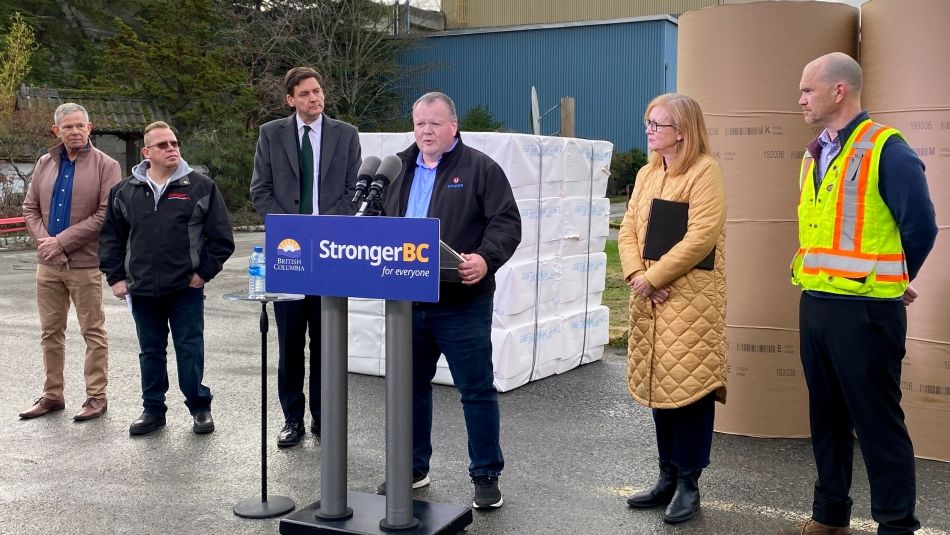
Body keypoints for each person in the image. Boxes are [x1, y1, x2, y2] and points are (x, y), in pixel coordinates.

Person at [777, 52, 937, 535]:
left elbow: (921, 226)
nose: (800, 98)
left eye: (807, 89)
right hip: (817, 304)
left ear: (838, 90)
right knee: (826, 420)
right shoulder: (815, 153)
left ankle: (895, 526)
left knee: (877, 423)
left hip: (866, 314)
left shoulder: (887, 147)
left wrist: (891, 278)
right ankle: (830, 516)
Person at [377, 91, 521, 510]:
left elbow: (506, 222)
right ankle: (413, 467)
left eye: (435, 123)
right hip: (407, 298)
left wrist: (486, 258)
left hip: (461, 301)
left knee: (475, 391)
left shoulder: (480, 168)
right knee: (410, 388)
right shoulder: (396, 167)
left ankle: (485, 475)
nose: (426, 131)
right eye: (420, 123)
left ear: (453, 126)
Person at [617, 93, 726, 525]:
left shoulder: (705, 172)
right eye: (648, 122)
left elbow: (701, 236)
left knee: (691, 390)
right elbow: (627, 227)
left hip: (689, 298)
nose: (649, 130)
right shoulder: (647, 173)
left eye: (657, 124)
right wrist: (634, 277)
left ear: (682, 130)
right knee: (660, 388)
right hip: (650, 296)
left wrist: (655, 277)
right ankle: (666, 476)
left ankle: (688, 482)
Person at [99, 121, 235, 436]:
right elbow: (111, 239)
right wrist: (116, 277)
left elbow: (221, 239)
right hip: (142, 289)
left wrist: (203, 274)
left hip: (185, 289)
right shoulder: (124, 191)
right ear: (147, 152)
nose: (172, 148)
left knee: (189, 349)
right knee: (150, 352)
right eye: (163, 145)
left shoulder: (200, 187)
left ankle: (199, 408)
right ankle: (153, 410)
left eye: (174, 143)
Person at [250, 66, 361, 448]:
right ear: (290, 100)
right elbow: (260, 191)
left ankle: (324, 418)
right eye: (306, 94)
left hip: (331, 251)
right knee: (291, 342)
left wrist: (322, 230)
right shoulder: (271, 134)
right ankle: (292, 420)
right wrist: (294, 230)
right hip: (289, 254)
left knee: (326, 342)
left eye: (318, 91)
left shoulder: (346, 135)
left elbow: (353, 192)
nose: (315, 98)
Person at [19, 103, 121, 421]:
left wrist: (61, 241)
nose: (74, 131)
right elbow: (30, 208)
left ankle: (95, 397)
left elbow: (106, 214)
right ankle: (52, 395)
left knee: (93, 331)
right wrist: (46, 244)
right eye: (68, 127)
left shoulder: (107, 165)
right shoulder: (44, 163)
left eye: (80, 126)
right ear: (56, 131)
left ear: (89, 128)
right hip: (47, 265)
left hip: (85, 264)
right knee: (50, 332)